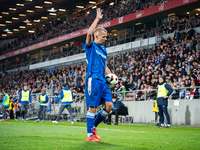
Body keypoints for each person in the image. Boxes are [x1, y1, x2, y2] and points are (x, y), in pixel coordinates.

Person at [84, 8, 113, 142]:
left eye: (106, 37)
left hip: (103, 81)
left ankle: (93, 126)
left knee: (109, 106)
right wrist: (97, 19)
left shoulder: (104, 49)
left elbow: (105, 65)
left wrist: (111, 75)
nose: (105, 39)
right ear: (97, 37)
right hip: (93, 80)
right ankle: (89, 136)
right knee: (93, 107)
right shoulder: (91, 46)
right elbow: (89, 33)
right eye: (103, 37)